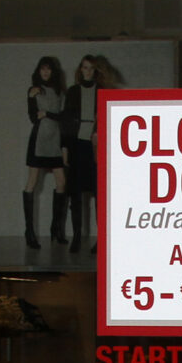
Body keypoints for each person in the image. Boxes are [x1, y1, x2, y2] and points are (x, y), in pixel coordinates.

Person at [60, 55, 123, 255]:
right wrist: (65, 148)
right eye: (84, 68)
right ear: (80, 69)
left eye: (90, 68)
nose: (87, 71)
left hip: (97, 146)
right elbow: (67, 122)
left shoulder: (103, 92)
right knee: (76, 194)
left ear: (96, 71)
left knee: (99, 195)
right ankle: (77, 235)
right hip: (77, 144)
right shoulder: (73, 92)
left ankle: (100, 239)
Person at [23, 56, 68, 250]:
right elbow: (33, 117)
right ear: (38, 71)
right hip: (39, 139)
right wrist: (33, 99)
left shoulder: (60, 92)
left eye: (48, 69)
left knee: (61, 182)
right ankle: (29, 231)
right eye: (42, 69)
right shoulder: (34, 90)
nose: (45, 73)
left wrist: (47, 113)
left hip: (55, 139)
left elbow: (63, 116)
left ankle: (56, 228)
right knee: (31, 182)